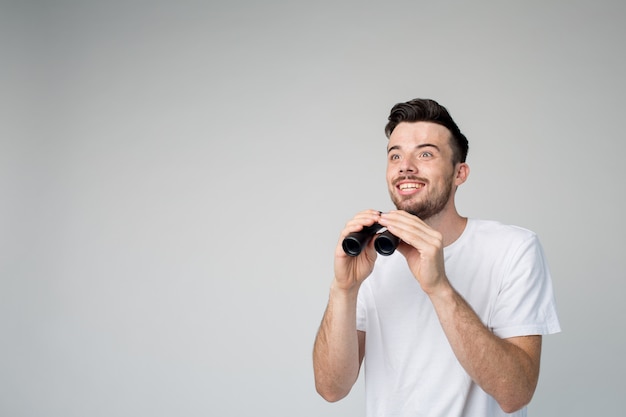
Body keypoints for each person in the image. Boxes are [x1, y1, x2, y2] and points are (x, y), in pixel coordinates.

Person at [312, 98, 561, 417]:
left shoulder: (514, 248)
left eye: (426, 153)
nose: (405, 166)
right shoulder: (371, 253)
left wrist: (439, 287)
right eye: (395, 155)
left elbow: (515, 393)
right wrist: (343, 289)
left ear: (460, 173)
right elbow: (332, 389)